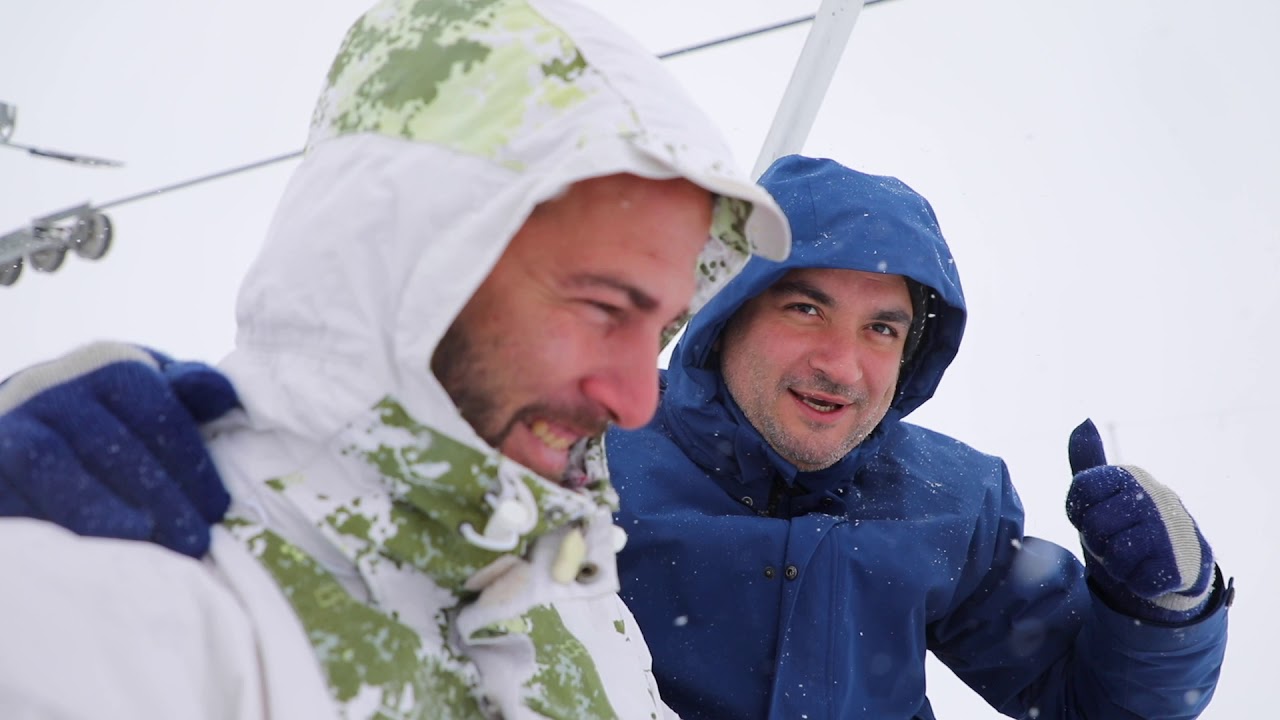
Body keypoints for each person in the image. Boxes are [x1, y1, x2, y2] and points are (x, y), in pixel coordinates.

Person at [0, 0, 792, 717]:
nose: (634, 399)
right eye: (602, 308)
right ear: (403, 264)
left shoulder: (564, 585)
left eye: (660, 327)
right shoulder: (133, 592)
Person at [605, 155, 1230, 719]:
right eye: (806, 309)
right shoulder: (591, 455)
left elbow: (1089, 703)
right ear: (725, 314)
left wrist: (1162, 611)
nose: (842, 367)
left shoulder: (946, 499)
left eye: (882, 329)